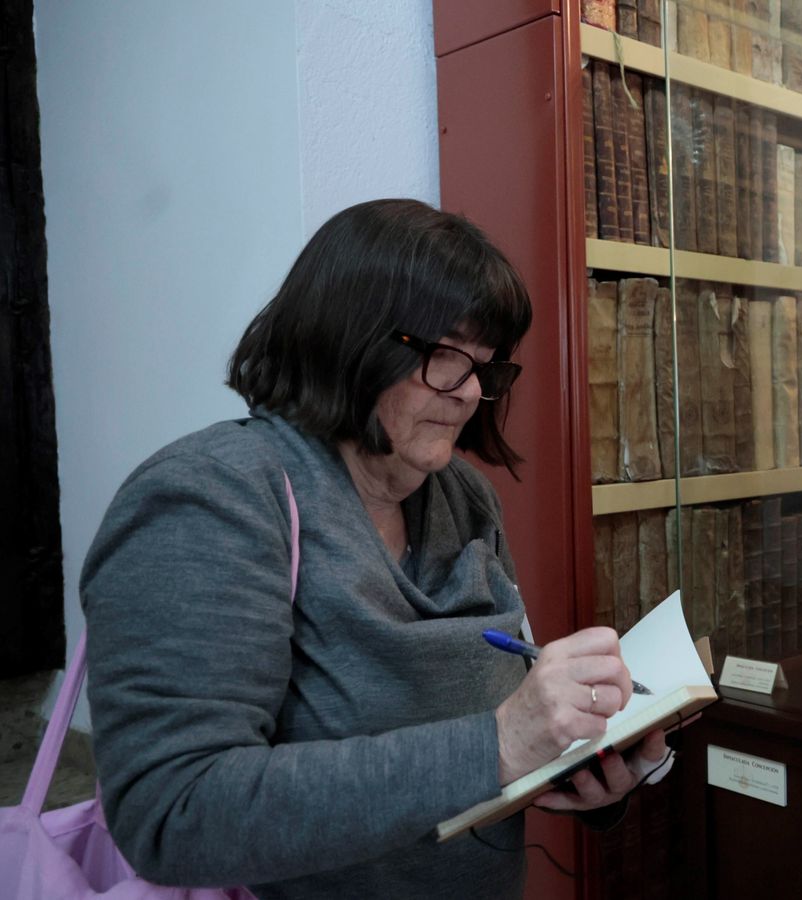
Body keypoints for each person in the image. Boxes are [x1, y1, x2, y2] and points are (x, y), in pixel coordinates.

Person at [80, 200, 672, 899]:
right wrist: (500, 744)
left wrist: (581, 765)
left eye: (487, 366)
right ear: (349, 339)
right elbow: (173, 814)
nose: (474, 392)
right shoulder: (211, 498)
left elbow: (491, 737)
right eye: (447, 355)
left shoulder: (460, 496)